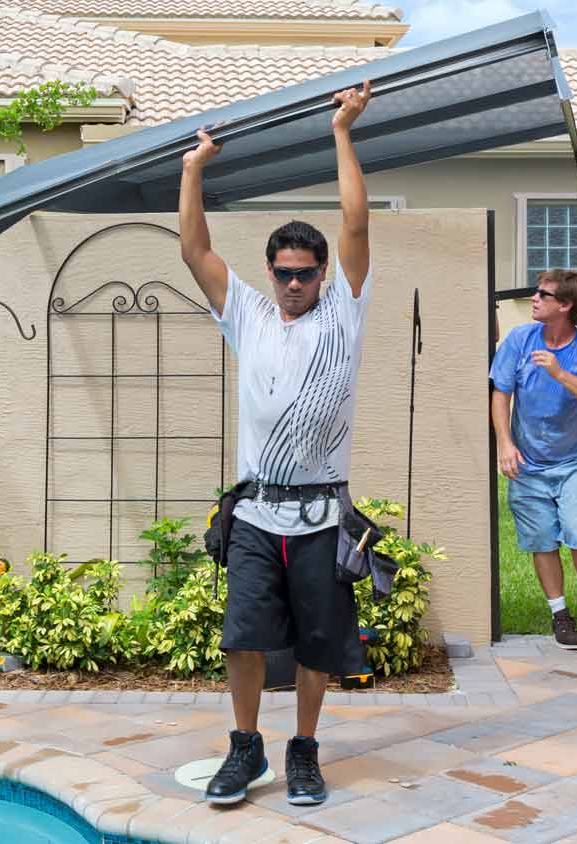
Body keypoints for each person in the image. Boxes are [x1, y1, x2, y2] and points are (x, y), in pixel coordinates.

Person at [179, 79, 374, 808]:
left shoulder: (344, 314)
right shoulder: (250, 315)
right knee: (243, 639)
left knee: (319, 646)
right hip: (258, 515)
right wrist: (195, 168)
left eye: (306, 273)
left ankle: (304, 752)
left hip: (323, 517)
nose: (294, 283)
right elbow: (194, 246)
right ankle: (245, 749)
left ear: (322, 274)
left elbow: (355, 222)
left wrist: (342, 132)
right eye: (284, 273)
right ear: (270, 273)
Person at [490, 269, 577, 650]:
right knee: (542, 540)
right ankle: (560, 614)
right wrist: (505, 443)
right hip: (528, 462)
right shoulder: (519, 339)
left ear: (565, 305)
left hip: (576, 460)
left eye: (542, 294)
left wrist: (560, 373)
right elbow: (500, 394)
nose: (534, 298)